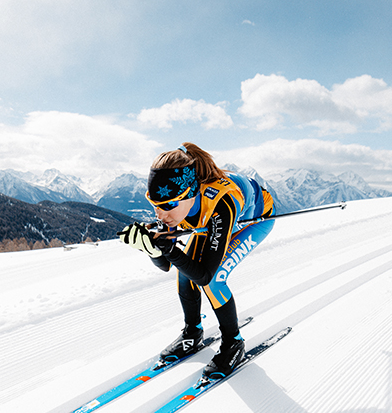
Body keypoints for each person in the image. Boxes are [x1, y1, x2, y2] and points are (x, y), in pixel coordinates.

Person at [118, 142, 275, 381]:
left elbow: (205, 275)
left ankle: (234, 343)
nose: (160, 214)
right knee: (184, 273)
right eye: (154, 205)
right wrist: (151, 249)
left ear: (189, 194)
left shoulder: (221, 205)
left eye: (168, 205)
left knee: (214, 281)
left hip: (254, 219)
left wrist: (168, 248)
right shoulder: (175, 201)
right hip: (209, 221)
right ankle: (192, 332)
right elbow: (167, 265)